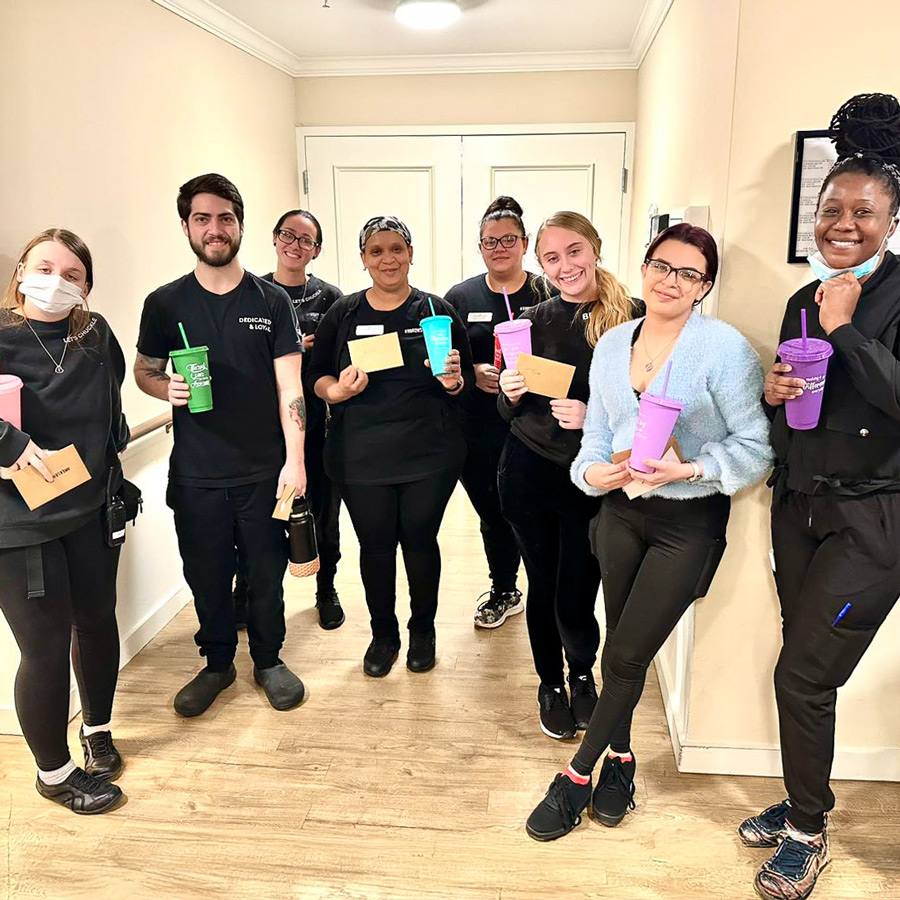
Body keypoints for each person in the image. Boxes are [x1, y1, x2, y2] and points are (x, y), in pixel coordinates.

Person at [524, 223, 772, 842]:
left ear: (704, 286)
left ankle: (576, 777)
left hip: (686, 524)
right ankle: (623, 762)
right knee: (619, 648)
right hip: (620, 516)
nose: (671, 280)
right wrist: (594, 473)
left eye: (688, 273)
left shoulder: (725, 350)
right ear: (643, 270)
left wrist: (689, 468)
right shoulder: (611, 345)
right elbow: (595, 439)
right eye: (662, 266)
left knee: (627, 654)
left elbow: (756, 447)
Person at [741, 93, 900, 900]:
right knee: (804, 671)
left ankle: (808, 830)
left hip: (875, 522)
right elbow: (806, 404)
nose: (844, 222)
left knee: (801, 676)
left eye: (863, 211)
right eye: (831, 208)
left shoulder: (884, 296)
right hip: (800, 507)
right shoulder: (805, 295)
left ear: (892, 218)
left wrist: (846, 330)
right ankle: (807, 801)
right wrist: (775, 393)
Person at [135, 173, 307, 717]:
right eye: (203, 218)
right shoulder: (164, 304)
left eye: (226, 218)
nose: (216, 229)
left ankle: (268, 659)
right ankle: (216, 663)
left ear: (240, 225)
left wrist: (295, 462)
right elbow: (144, 370)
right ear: (186, 225)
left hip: (262, 472)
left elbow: (291, 388)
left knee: (265, 573)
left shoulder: (272, 300)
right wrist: (168, 388)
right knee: (205, 574)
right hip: (196, 474)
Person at [309, 215, 474, 677]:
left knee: (420, 543)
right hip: (360, 457)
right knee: (376, 547)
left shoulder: (435, 311)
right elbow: (315, 377)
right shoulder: (343, 313)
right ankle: (384, 634)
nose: (388, 259)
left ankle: (423, 630)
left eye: (396, 249)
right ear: (363, 259)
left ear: (410, 254)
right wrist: (335, 392)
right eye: (376, 251)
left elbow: (462, 385)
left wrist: (456, 382)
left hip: (429, 456)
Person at [0, 229, 129, 814]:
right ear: (22, 270)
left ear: (85, 287)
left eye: (72, 275)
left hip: (92, 508)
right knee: (47, 646)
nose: (56, 282)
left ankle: (97, 730)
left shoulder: (96, 335)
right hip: (20, 522)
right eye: (45, 267)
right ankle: (54, 774)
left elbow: (112, 412)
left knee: (97, 622)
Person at [497, 212, 639, 741]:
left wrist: (593, 417)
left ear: (596, 248)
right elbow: (509, 417)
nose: (565, 266)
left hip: (595, 477)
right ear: (540, 263)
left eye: (574, 251)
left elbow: (656, 406)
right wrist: (509, 395)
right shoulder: (528, 320)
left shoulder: (636, 318)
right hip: (528, 473)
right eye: (551, 258)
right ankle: (550, 682)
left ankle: (583, 673)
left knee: (579, 584)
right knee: (543, 582)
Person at [233, 209, 344, 631]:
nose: (295, 245)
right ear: (275, 238)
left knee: (322, 513)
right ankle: (246, 591)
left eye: (306, 240)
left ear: (317, 250)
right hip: (262, 428)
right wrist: (290, 346)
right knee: (257, 517)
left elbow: (340, 358)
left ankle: (326, 589)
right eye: (288, 235)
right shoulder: (252, 294)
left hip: (318, 425)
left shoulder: (332, 299)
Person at [445, 196, 552, 629]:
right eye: (490, 241)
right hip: (479, 427)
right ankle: (505, 588)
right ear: (480, 247)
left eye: (509, 239)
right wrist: (473, 374)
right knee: (494, 514)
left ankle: (547, 589)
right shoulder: (460, 295)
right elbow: (448, 359)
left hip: (536, 426)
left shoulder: (548, 290)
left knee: (534, 513)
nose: (500, 247)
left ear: (525, 243)